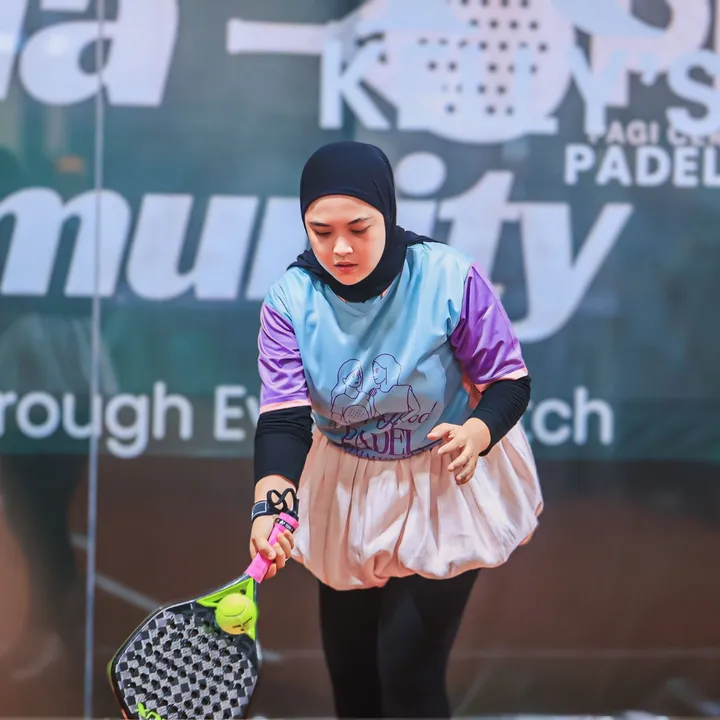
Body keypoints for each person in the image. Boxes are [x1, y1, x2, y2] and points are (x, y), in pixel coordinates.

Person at [249, 141, 543, 719]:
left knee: (409, 674)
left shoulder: (448, 277)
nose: (340, 247)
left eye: (358, 228)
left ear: (387, 212)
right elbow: (283, 417)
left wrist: (478, 433)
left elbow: (509, 381)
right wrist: (269, 505)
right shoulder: (289, 300)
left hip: (445, 480)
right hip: (346, 487)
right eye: (321, 231)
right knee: (352, 676)